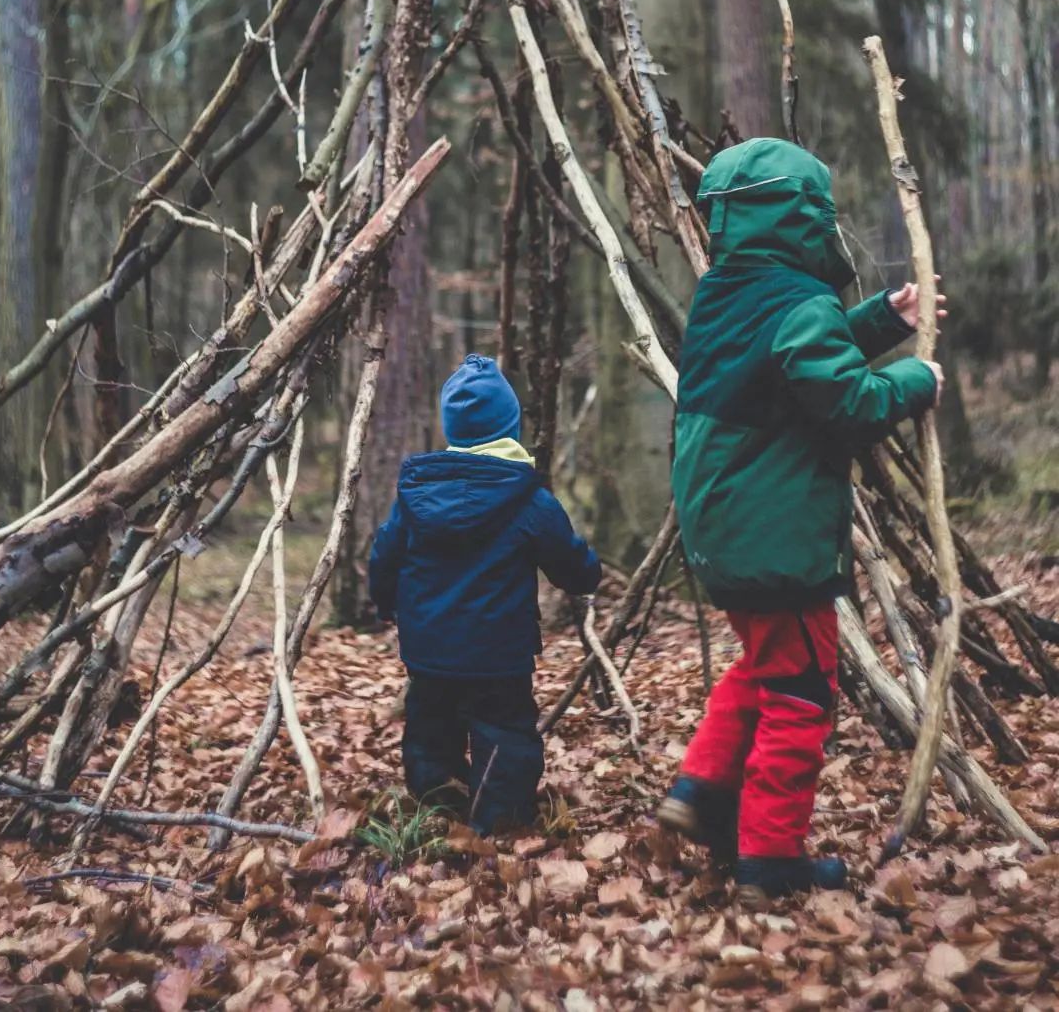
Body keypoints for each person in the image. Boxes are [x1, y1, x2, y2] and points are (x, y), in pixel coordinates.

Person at [657, 138, 945, 900]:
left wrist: (884, 318)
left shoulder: (726, 294)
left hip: (722, 533)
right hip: (774, 538)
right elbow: (846, 401)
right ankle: (771, 859)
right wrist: (917, 378)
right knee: (802, 693)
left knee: (764, 664)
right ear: (801, 215)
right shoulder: (798, 303)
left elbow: (798, 362)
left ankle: (701, 790)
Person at [369, 353, 601, 833]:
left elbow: (384, 556)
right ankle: (499, 823)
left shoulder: (417, 496)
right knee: (504, 735)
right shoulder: (527, 498)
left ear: (453, 427)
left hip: (429, 648)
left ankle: (436, 811)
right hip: (499, 654)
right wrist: (587, 575)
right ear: (509, 427)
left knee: (431, 728)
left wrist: (386, 603)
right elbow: (570, 561)